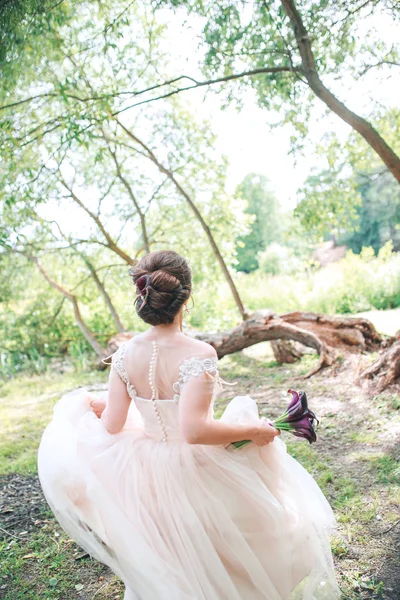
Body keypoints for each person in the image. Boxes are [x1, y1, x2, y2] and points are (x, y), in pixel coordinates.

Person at [38, 250, 341, 600]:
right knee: (225, 540)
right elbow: (195, 431)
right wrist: (254, 431)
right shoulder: (199, 353)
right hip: (195, 466)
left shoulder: (124, 355)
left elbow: (113, 424)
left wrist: (98, 406)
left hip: (144, 470)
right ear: (187, 296)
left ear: (144, 297)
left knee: (168, 549)